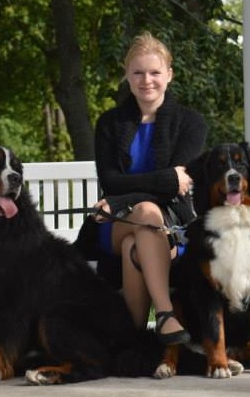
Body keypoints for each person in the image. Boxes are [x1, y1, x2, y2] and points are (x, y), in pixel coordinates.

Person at [89, 31, 207, 345]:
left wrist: (121, 199)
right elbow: (111, 181)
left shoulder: (191, 123)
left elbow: (177, 190)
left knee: (134, 243)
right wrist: (164, 179)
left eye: (155, 72)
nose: (147, 80)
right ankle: (166, 315)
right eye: (138, 72)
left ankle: (133, 341)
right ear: (127, 76)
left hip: (172, 224)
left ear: (169, 74)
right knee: (141, 215)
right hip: (112, 225)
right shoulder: (109, 124)